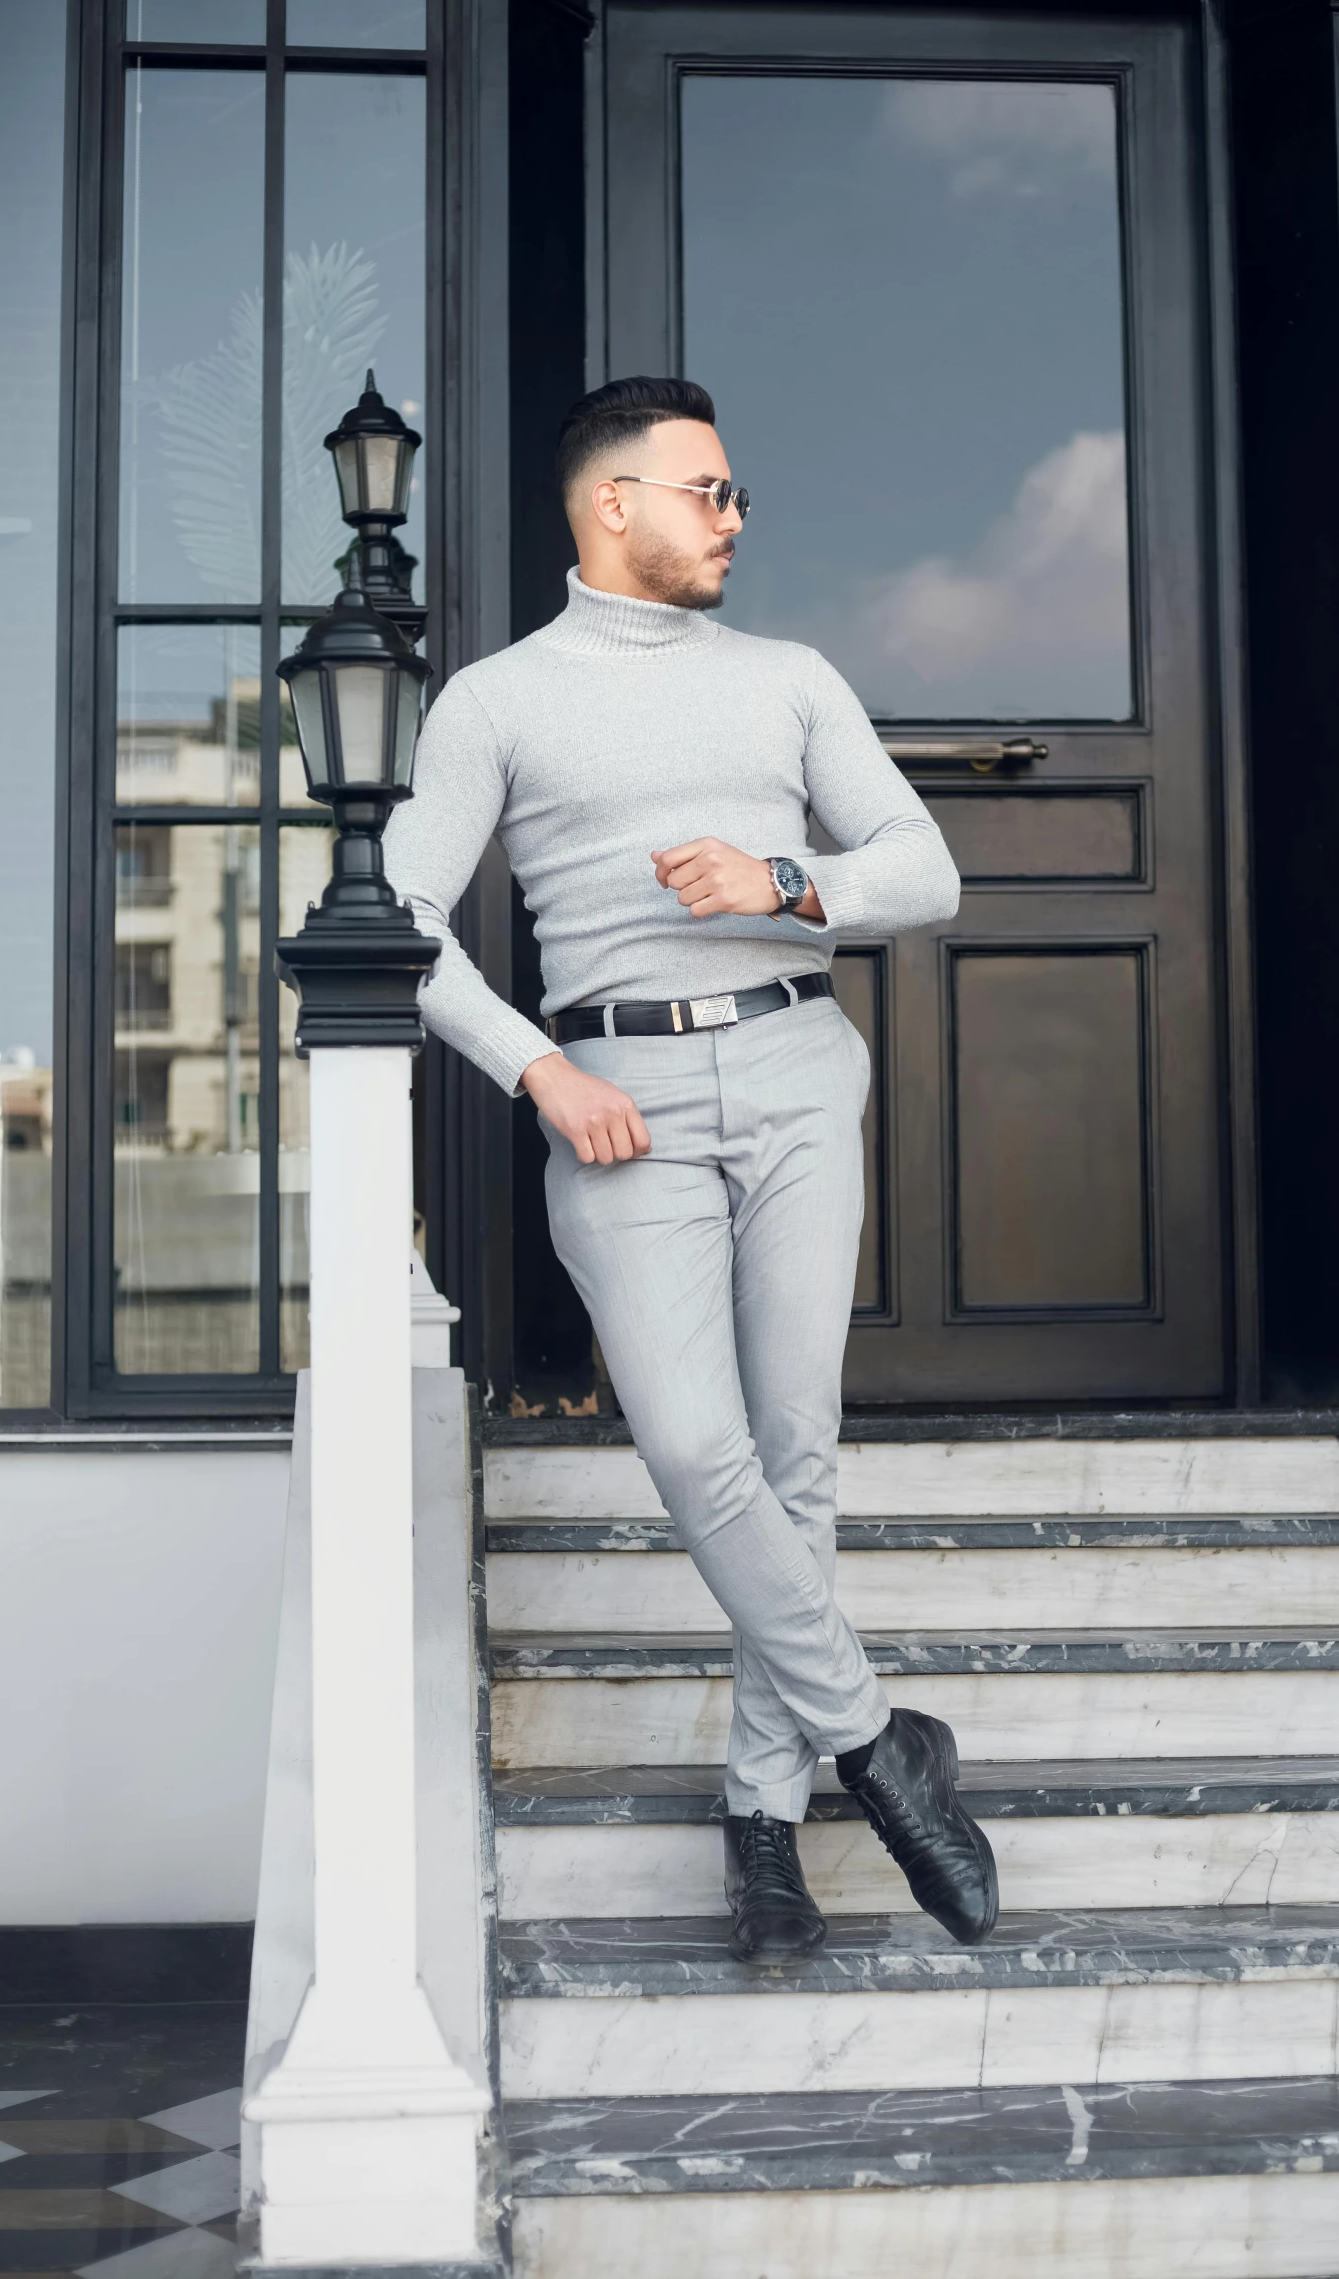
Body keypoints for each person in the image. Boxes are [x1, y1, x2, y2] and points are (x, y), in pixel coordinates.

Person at [385, 375, 998, 1962]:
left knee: (795, 1451)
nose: (735, 518)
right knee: (693, 1446)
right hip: (619, 1096)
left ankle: (765, 1822)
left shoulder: (789, 679)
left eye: (733, 495)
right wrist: (538, 1066)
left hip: (796, 1068)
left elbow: (923, 869)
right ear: (614, 505)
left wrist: (784, 879)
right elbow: (392, 925)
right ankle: (879, 1744)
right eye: (707, 492)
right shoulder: (498, 701)